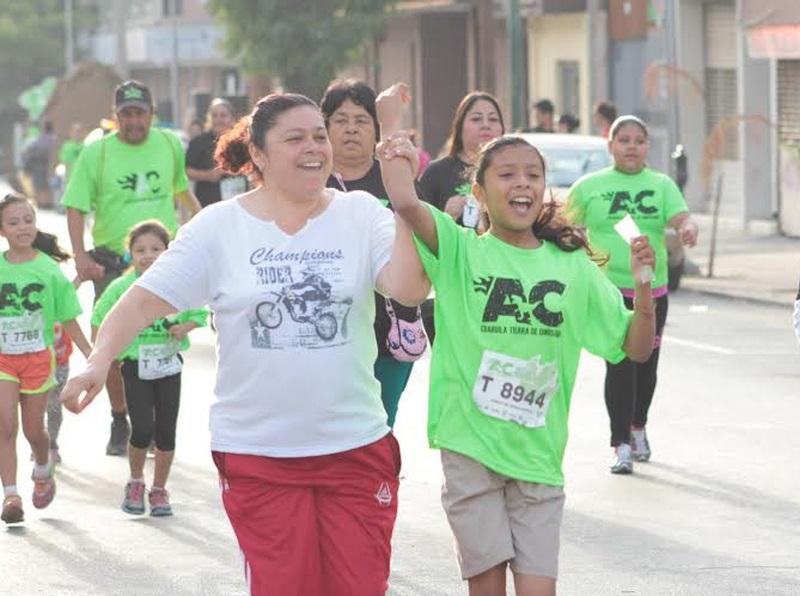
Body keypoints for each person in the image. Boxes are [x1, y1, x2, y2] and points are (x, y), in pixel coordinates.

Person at [61, 91, 430, 595]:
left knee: (362, 586)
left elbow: (408, 290)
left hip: (354, 444)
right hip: (260, 451)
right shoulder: (220, 228)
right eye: (295, 138)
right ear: (258, 154)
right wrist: (98, 361)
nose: (315, 148)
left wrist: (406, 203)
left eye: (318, 136)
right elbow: (142, 302)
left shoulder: (361, 213)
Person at [375, 83, 656, 596]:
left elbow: (634, 349)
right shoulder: (461, 252)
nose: (522, 183)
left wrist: (641, 287)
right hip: (470, 447)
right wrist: (389, 124)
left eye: (533, 175)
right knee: (487, 589)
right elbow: (403, 197)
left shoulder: (571, 266)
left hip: (538, 456)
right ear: (479, 194)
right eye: (506, 175)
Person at [61, 79, 202, 457]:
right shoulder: (97, 153)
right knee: (111, 346)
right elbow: (75, 206)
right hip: (114, 263)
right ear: (115, 116)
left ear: (152, 114)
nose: (134, 121)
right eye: (127, 114)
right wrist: (80, 256)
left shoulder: (170, 143)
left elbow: (180, 190)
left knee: (162, 340)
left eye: (141, 113)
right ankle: (120, 416)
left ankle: (153, 421)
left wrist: (206, 224)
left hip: (164, 262)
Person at [567, 115, 699, 474]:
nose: (631, 146)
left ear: (647, 147)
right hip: (608, 292)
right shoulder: (589, 186)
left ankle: (638, 426)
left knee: (646, 366)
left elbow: (681, 219)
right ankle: (621, 443)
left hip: (650, 292)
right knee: (620, 363)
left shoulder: (661, 184)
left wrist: (688, 228)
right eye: (623, 140)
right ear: (610, 145)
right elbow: (562, 224)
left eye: (638, 140)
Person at [321, 79, 426, 427]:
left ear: (376, 128)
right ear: (324, 127)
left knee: (381, 421)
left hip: (390, 329)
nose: (351, 129)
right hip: (332, 332)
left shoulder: (395, 177)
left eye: (362, 120)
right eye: (340, 119)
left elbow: (421, 237)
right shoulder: (311, 185)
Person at [91, 221, 206, 516]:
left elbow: (201, 312)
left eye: (156, 249)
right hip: (135, 367)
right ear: (130, 254)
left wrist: (186, 325)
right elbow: (100, 319)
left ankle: (159, 490)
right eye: (140, 249)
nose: (148, 255)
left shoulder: (180, 284)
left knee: (166, 432)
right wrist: (106, 354)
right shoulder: (122, 288)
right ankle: (135, 482)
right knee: (142, 428)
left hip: (169, 367)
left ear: (168, 252)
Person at [0, 193, 91, 525]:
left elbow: (68, 317)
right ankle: (11, 494)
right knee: (5, 426)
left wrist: (89, 352)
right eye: (13, 222)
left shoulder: (47, 269)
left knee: (33, 430)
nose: (22, 227)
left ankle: (42, 466)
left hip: (38, 360)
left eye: (27, 220)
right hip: (3, 361)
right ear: (2, 230)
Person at [418, 91, 505, 228]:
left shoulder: (512, 173)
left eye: (493, 119)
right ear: (460, 127)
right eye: (476, 119)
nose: (486, 125)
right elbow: (418, 228)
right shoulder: (436, 172)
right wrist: (447, 217)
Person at [186, 98, 248, 207]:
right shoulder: (198, 142)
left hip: (239, 204)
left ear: (233, 119)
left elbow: (253, 166)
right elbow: (186, 171)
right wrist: (208, 175)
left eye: (223, 115)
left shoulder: (242, 141)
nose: (218, 119)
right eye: (214, 116)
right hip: (208, 204)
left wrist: (236, 171)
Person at [22, 121, 57, 209]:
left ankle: (41, 203)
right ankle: (46, 203)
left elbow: (35, 147)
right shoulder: (53, 138)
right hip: (45, 164)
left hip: (40, 164)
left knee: (39, 185)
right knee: (45, 185)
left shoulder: (43, 137)